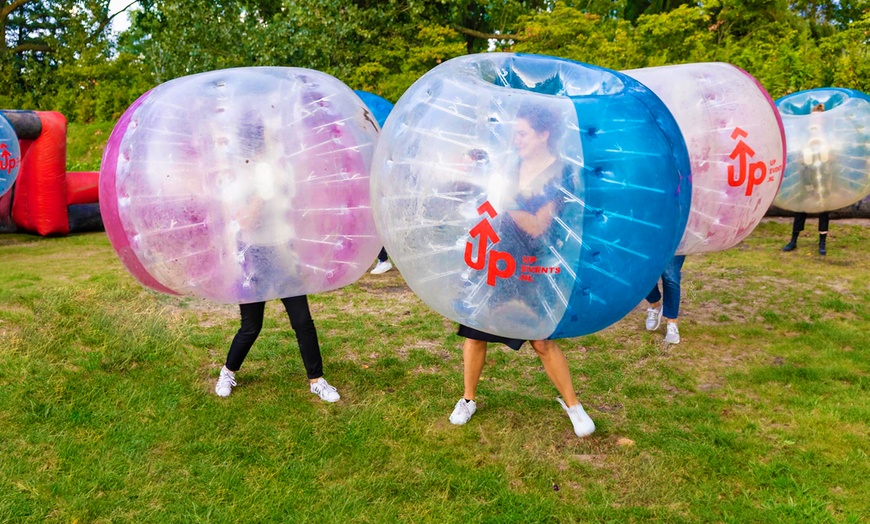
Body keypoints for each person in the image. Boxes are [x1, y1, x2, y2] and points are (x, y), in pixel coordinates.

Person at [449, 103, 595, 438]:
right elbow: (486, 204)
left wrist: (506, 201)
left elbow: (537, 225)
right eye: (514, 133)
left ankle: (573, 405)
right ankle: (468, 399)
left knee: (541, 340)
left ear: (544, 134)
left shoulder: (560, 174)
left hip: (532, 264)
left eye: (522, 134)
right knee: (475, 331)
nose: (515, 140)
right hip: (497, 258)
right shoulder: (510, 166)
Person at [215, 297, 340, 402]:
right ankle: (227, 372)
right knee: (250, 328)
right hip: (253, 278)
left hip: (286, 277)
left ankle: (316, 381)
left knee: (303, 323)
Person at [782, 103, 830, 256]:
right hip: (806, 174)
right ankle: (793, 240)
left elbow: (833, 156)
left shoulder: (829, 135)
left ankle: (822, 243)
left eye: (818, 118)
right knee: (801, 207)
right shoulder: (805, 134)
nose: (815, 121)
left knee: (823, 208)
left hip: (823, 175)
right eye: (813, 118)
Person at [644, 255, 686, 344]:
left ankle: (672, 322)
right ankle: (655, 305)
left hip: (673, 246)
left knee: (670, 276)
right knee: (644, 273)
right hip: (646, 245)